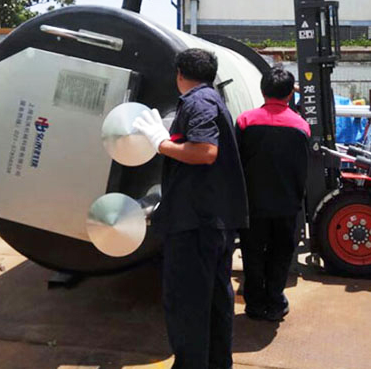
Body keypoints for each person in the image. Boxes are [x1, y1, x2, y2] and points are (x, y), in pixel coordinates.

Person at [132, 48, 249, 369]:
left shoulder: (197, 102)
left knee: (187, 303)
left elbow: (205, 151)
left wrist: (161, 143)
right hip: (213, 220)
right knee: (213, 302)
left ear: (180, 74)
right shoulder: (213, 99)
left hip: (196, 224)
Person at [236, 67, 310, 321]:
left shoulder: (245, 121)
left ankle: (255, 304)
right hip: (285, 203)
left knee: (252, 252)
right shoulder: (301, 126)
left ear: (262, 90)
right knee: (280, 253)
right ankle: (275, 302)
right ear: (290, 94)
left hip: (252, 204)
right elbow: (302, 170)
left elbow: (237, 163)